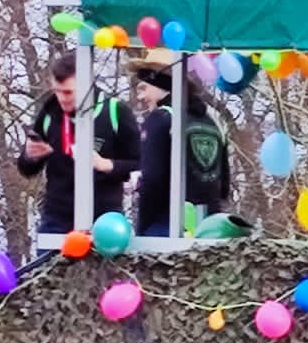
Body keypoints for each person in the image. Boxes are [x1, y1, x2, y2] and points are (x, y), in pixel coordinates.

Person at [17, 51, 140, 235]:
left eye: (68, 92)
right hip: (57, 217)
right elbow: (26, 168)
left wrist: (107, 165)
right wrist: (30, 156)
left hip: (104, 219)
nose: (62, 99)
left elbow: (139, 163)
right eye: (57, 92)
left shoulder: (115, 111)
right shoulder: (50, 111)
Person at [131, 54, 231, 237]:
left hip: (167, 225)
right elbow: (224, 186)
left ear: (162, 84)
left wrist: (142, 228)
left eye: (144, 88)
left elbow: (151, 180)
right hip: (209, 228)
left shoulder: (160, 118)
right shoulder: (213, 122)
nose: (141, 96)